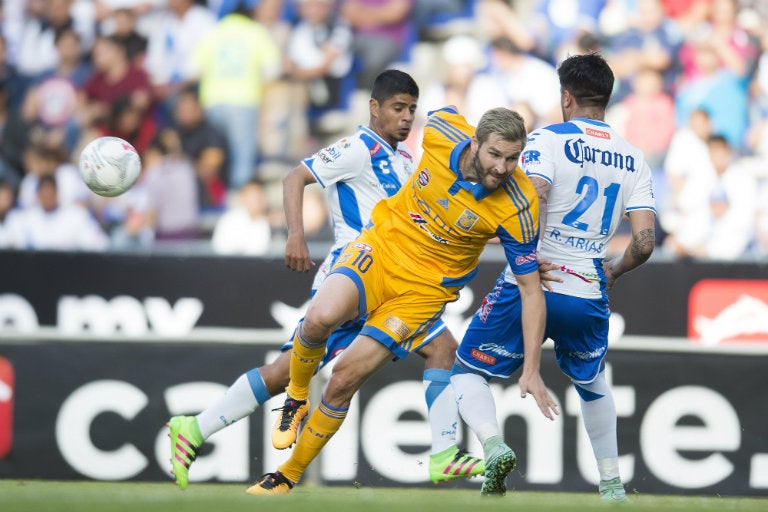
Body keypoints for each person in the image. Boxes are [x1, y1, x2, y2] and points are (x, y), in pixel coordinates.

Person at [166, 70, 487, 491]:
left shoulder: (409, 161)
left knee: (441, 348)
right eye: (397, 108)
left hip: (394, 284)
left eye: (412, 109)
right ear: (374, 108)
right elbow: (294, 176)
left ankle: (199, 430)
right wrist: (295, 235)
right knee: (295, 369)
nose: (407, 117)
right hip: (352, 274)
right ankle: (218, 424)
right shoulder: (357, 149)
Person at [246, 104, 559, 495]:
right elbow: (442, 110)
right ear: (475, 143)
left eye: (513, 158)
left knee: (342, 379)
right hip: (380, 251)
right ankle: (295, 397)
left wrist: (532, 368)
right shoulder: (442, 131)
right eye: (495, 154)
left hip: (421, 294)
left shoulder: (519, 203)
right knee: (317, 320)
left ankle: (287, 476)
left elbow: (531, 290)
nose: (502, 167)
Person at [450, 53, 656, 501]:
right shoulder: (634, 158)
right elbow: (644, 243)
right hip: (587, 288)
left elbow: (536, 194)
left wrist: (525, 249)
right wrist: (614, 271)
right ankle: (611, 483)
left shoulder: (548, 139)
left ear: (566, 97)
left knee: (465, 371)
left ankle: (492, 446)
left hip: (535, 280)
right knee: (592, 382)